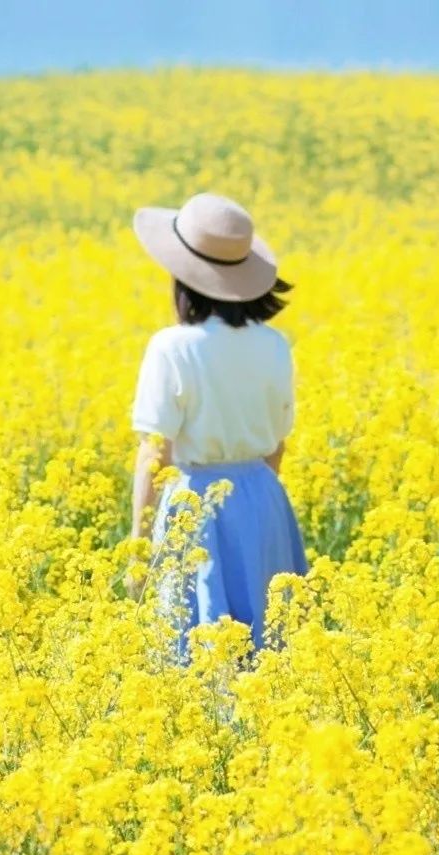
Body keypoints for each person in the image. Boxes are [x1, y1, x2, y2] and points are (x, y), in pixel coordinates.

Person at [124, 190, 309, 665]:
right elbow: (277, 446)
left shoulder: (173, 348)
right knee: (268, 653)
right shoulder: (275, 344)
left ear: (183, 278)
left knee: (200, 655)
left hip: (196, 504)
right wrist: (250, 506)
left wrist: (139, 549)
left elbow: (155, 453)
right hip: (264, 501)